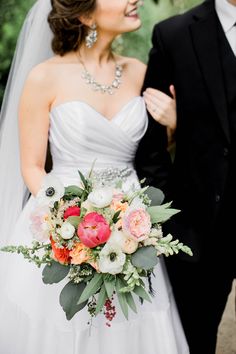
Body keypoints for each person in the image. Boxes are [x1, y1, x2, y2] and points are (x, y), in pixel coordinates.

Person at [0, 0, 189, 353]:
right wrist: (68, 224)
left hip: (132, 227)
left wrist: (176, 124)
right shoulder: (45, 76)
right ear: (86, 14)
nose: (135, 0)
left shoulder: (139, 72)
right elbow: (32, 166)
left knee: (132, 324)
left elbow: (154, 151)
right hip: (62, 222)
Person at [136, 0, 236, 353]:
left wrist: (186, 124)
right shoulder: (174, 35)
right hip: (198, 234)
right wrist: (171, 224)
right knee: (195, 342)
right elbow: (149, 150)